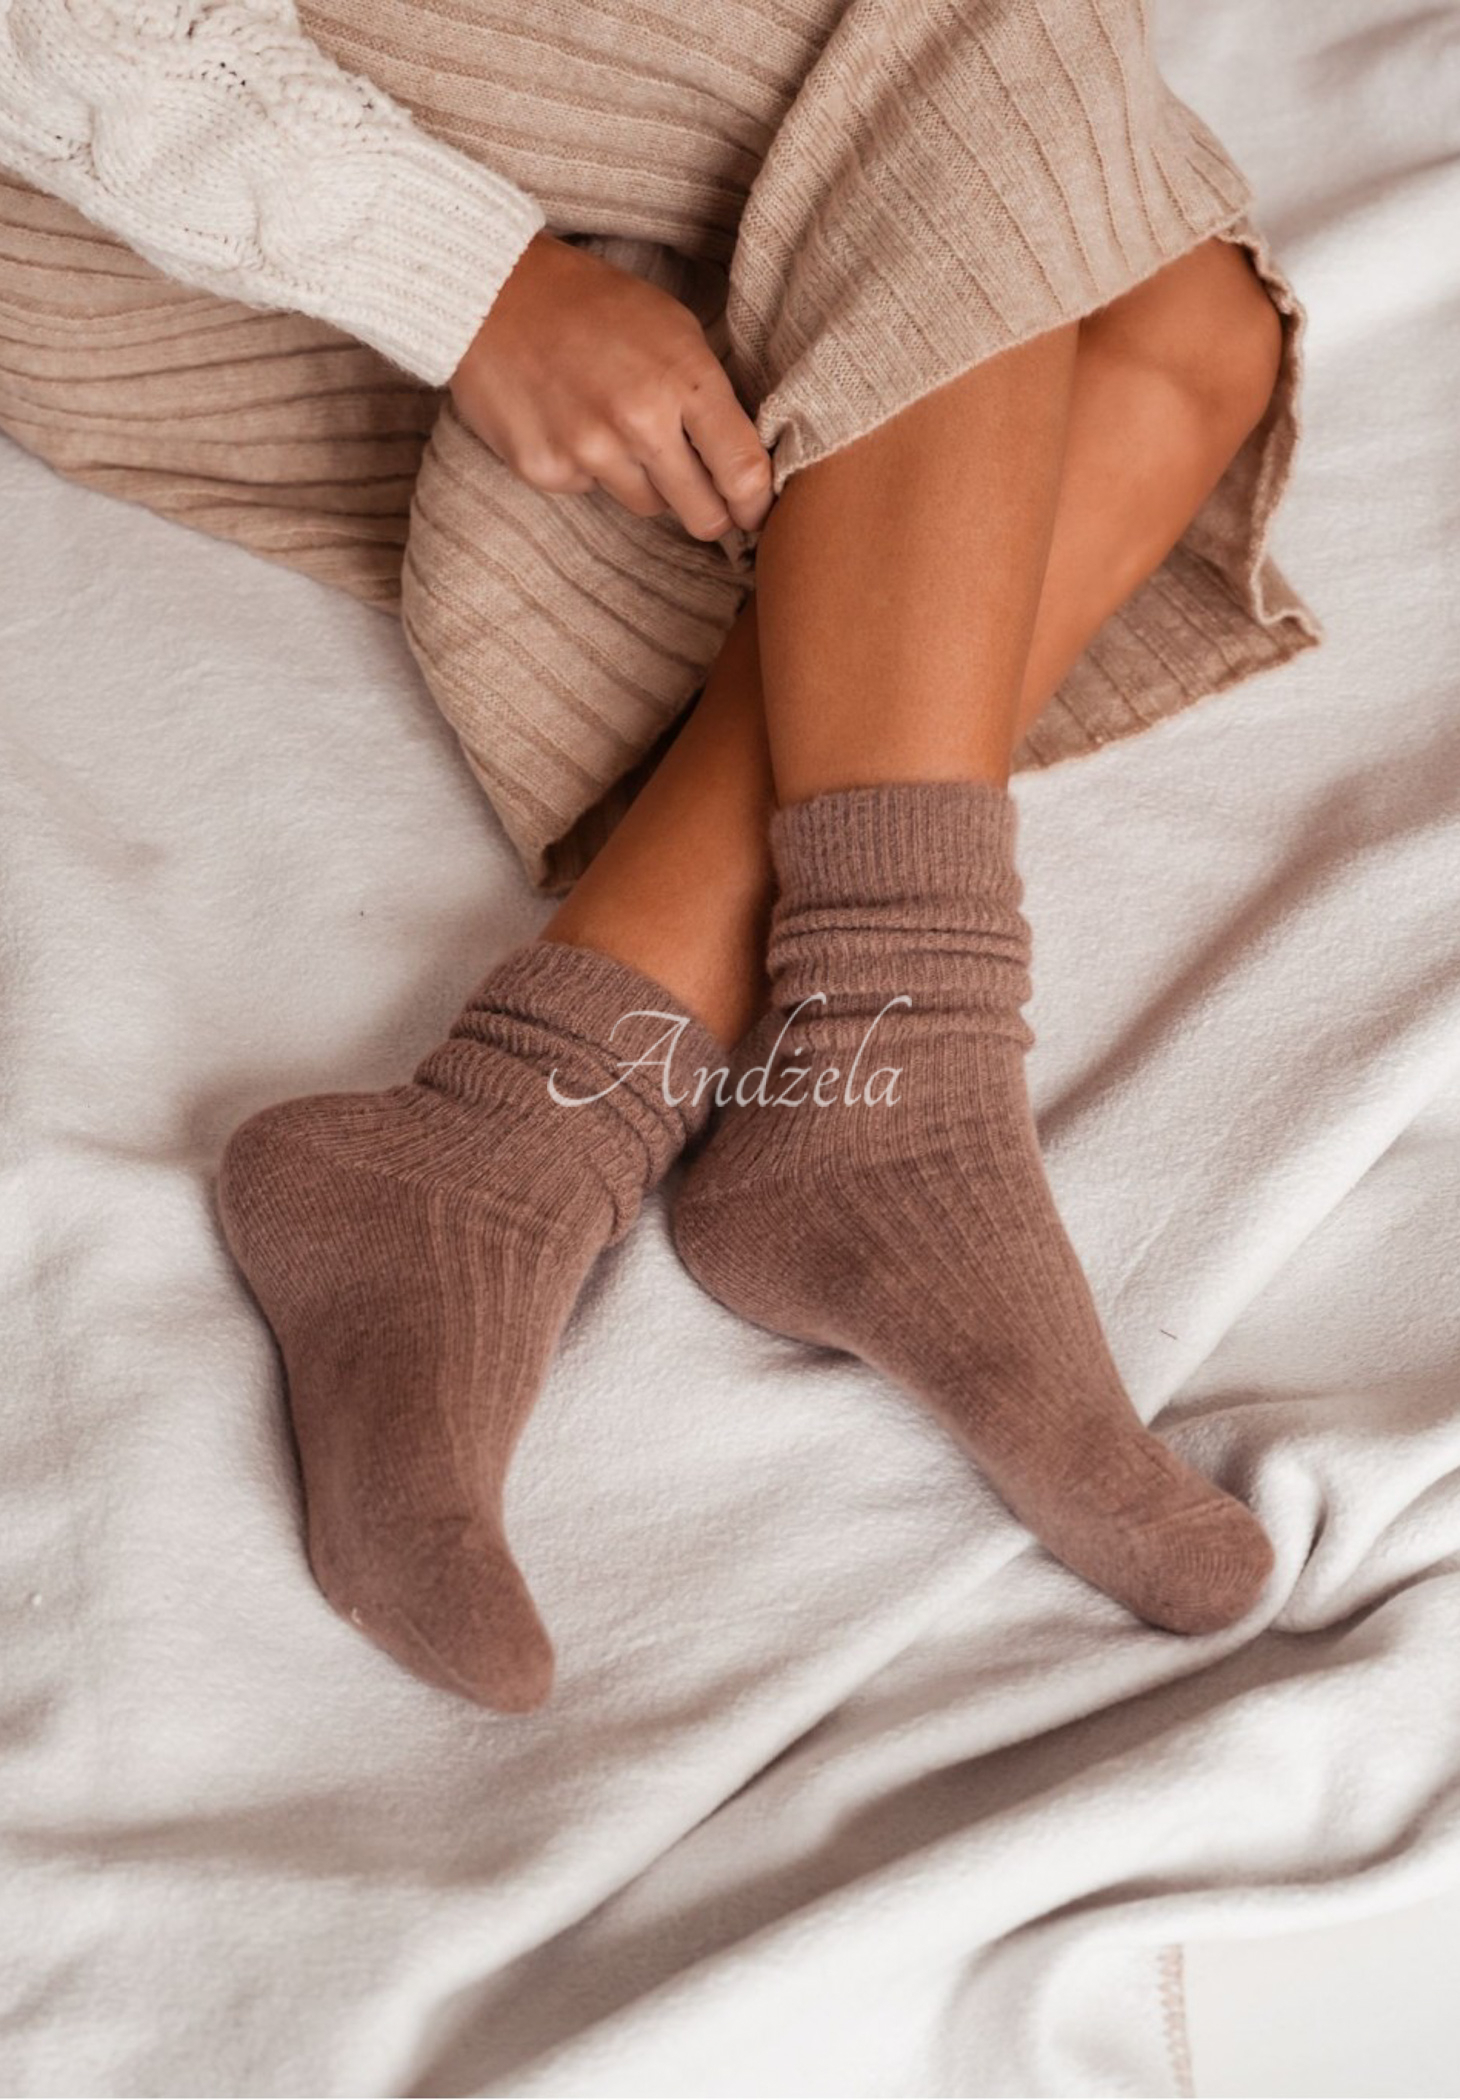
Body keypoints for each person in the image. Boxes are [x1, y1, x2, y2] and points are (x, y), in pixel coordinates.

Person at [0, 0, 1317, 1711]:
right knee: (1014, 98)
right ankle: (878, 1076)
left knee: (1182, 320)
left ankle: (556, 1109)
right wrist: (469, 281)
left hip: (540, 122)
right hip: (149, 131)